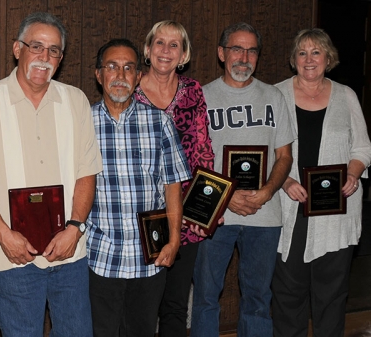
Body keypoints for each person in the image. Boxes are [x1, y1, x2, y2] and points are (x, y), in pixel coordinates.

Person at [0, 12, 102, 337]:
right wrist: (4, 235)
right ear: (17, 49)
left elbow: (86, 171)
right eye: (36, 46)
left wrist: (75, 229)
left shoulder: (75, 100)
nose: (44, 56)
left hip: (69, 255)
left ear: (61, 58)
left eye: (54, 50)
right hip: (12, 258)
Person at [190, 22, 295, 337]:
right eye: (237, 48)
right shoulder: (201, 97)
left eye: (251, 50)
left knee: (259, 298)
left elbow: (285, 156)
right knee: (206, 297)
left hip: (265, 215)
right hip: (215, 213)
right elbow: (191, 159)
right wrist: (225, 197)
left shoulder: (273, 96)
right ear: (222, 53)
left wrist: (266, 191)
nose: (244, 57)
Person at [87, 38, 191, 337]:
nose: (120, 75)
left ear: (138, 76)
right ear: (99, 75)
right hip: (99, 257)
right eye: (112, 67)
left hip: (150, 258)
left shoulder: (160, 123)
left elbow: (172, 188)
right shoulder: (82, 122)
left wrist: (173, 242)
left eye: (129, 68)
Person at [271, 28, 371, 337]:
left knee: (331, 294)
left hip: (335, 211)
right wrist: (284, 181)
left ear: (328, 58)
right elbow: (260, 150)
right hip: (289, 209)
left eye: (316, 52)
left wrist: (353, 173)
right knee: (288, 295)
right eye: (302, 53)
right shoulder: (275, 95)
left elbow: (362, 148)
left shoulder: (346, 95)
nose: (309, 59)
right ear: (294, 60)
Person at [134, 20, 214, 337]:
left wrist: (198, 213)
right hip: (141, 216)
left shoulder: (193, 91)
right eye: (159, 43)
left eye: (174, 45)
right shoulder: (130, 89)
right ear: (148, 49)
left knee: (176, 304)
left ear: (183, 55)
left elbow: (203, 153)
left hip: (186, 215)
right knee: (141, 304)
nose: (165, 51)